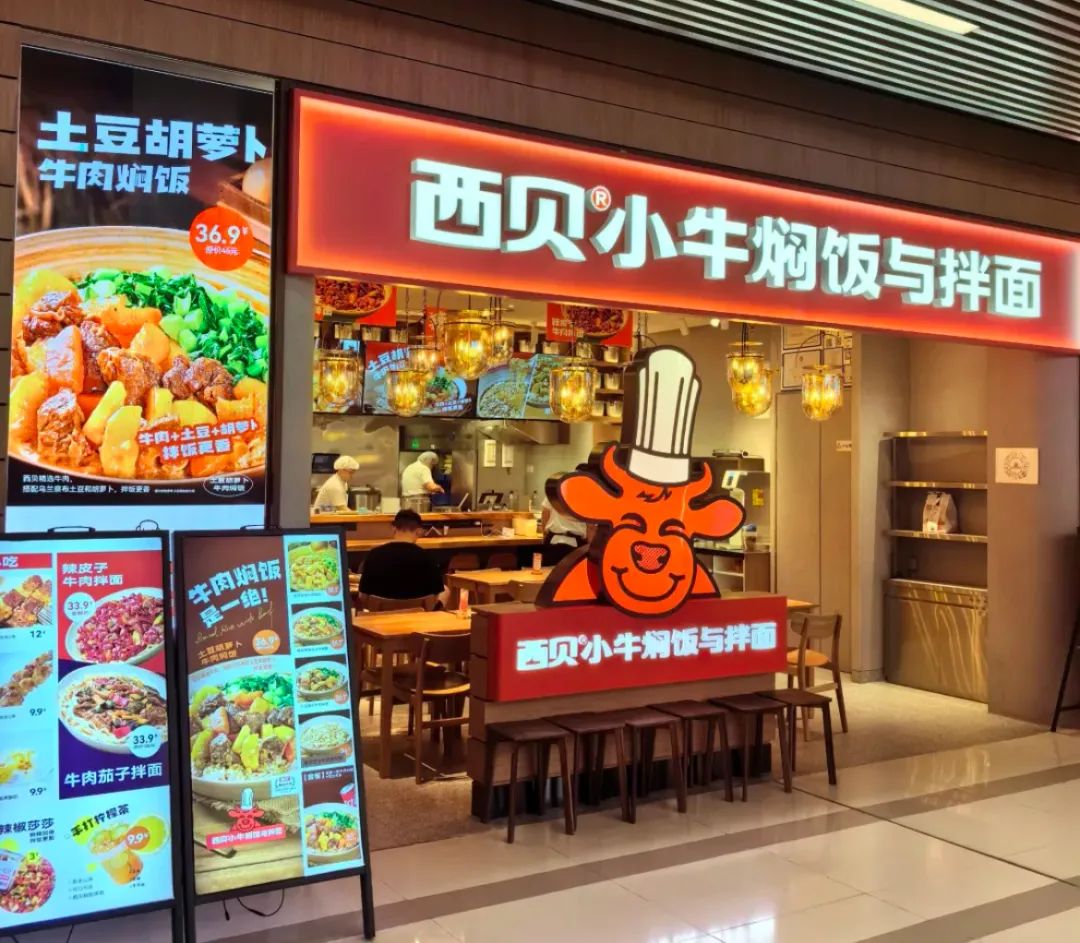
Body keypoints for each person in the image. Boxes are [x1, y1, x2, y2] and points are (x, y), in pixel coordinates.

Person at [358, 509, 447, 605]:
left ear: (394, 529)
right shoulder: (428, 557)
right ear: (419, 531)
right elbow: (436, 594)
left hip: (381, 611)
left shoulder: (374, 555)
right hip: (419, 611)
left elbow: (363, 595)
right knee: (445, 591)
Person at [541, 494, 589, 566]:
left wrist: (544, 534)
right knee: (572, 571)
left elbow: (545, 512)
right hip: (576, 544)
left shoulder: (554, 491)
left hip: (554, 540)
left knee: (550, 571)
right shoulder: (586, 496)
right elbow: (591, 526)